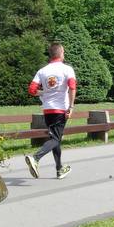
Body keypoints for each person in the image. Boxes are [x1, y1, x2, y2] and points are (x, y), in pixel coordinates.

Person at [25, 43, 76, 179]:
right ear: (61, 53)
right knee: (56, 138)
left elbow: (31, 90)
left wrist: (44, 93)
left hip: (47, 110)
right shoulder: (67, 69)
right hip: (61, 110)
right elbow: (72, 87)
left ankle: (59, 169)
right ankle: (35, 158)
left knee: (55, 138)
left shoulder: (42, 71)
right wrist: (71, 107)